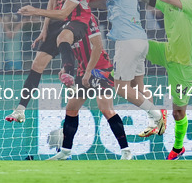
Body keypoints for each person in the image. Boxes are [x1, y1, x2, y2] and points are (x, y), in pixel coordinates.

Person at [5, 0, 91, 123]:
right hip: (57, 22)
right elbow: (53, 0)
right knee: (37, 64)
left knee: (63, 37)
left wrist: (34, 11)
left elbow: (64, 13)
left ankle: (70, 79)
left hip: (77, 21)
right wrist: (45, 28)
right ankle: (20, 110)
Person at [91, 0, 167, 137]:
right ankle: (153, 123)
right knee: (138, 86)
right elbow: (103, 2)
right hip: (140, 40)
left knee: (121, 88)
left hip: (127, 42)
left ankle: (156, 114)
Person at [135, 0, 192, 160]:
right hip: (167, 52)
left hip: (184, 65)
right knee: (136, 44)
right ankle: (116, 75)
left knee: (178, 112)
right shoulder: (169, 5)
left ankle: (179, 146)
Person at [49, 14, 132, 160]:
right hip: (83, 70)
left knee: (105, 108)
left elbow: (98, 47)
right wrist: (65, 69)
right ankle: (65, 151)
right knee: (71, 108)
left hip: (100, 69)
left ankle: (126, 150)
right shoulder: (65, 25)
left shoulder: (88, 18)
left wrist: (89, 72)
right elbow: (72, 51)